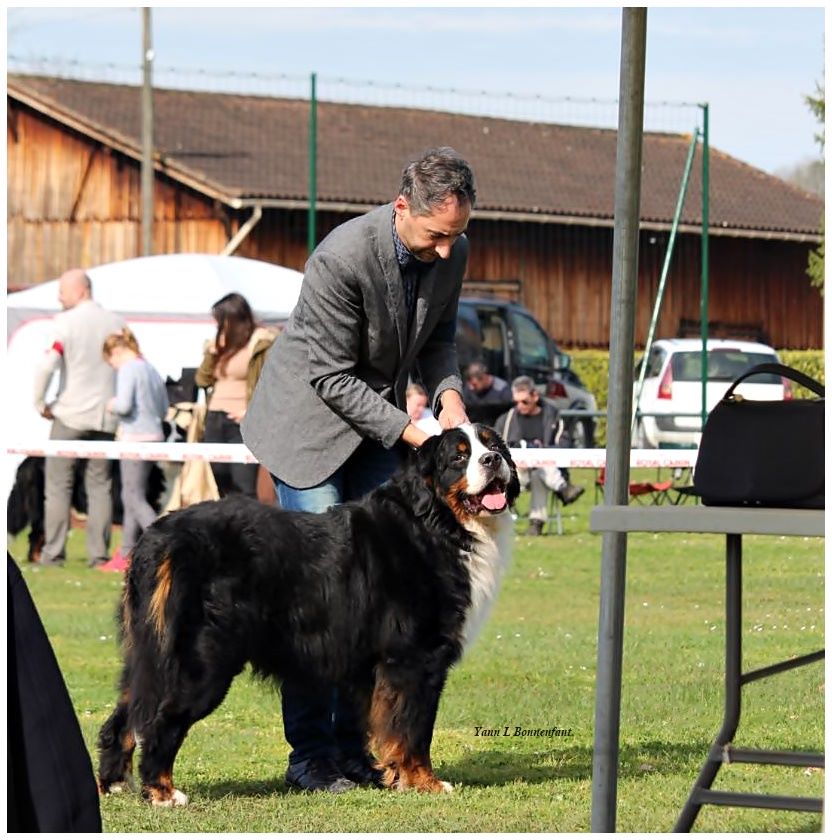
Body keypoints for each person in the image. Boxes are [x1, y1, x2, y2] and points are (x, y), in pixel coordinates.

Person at [242, 146, 474, 793]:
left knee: (383, 598)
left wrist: (450, 397)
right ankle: (310, 756)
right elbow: (330, 377)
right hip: (307, 427)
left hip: (374, 426)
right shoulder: (342, 257)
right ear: (403, 209)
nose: (448, 251)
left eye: (457, 235)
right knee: (320, 600)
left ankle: (358, 750)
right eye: (436, 236)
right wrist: (412, 430)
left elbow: (441, 338)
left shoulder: (451, 247)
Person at [33, 269, 125, 567]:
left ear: (82, 291)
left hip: (70, 415)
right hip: (104, 418)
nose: (59, 297)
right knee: (100, 488)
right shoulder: (116, 323)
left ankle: (53, 553)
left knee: (58, 486)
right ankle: (98, 556)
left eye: (63, 290)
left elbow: (48, 363)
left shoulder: (64, 323)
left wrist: (39, 402)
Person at [195, 293, 276, 498]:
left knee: (244, 486)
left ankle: (247, 529)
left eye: (221, 321)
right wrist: (211, 354)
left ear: (232, 320)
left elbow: (272, 383)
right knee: (222, 483)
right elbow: (202, 380)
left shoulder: (260, 343)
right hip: (214, 418)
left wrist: (252, 411)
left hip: (241, 421)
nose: (217, 326)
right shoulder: (219, 345)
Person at [101, 328, 169, 569]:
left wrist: (112, 405)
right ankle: (127, 553)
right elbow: (163, 407)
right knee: (134, 494)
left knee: (133, 497)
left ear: (116, 352)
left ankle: (166, 543)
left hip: (134, 437)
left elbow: (124, 404)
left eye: (110, 362)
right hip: (154, 436)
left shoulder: (129, 369)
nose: (113, 367)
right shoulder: (149, 367)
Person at [495, 375, 584, 536]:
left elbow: (564, 446)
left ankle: (536, 524)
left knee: (539, 473)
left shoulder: (553, 416)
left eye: (524, 401)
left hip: (543, 471)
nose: (519, 406)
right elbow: (496, 447)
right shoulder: (506, 419)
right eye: (516, 402)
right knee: (538, 468)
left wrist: (541, 450)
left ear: (535, 396)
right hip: (515, 473)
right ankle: (563, 488)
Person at [463, 360, 513, 425]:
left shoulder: (502, 390)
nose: (471, 388)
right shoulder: (468, 388)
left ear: (484, 378)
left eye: (474, 384)